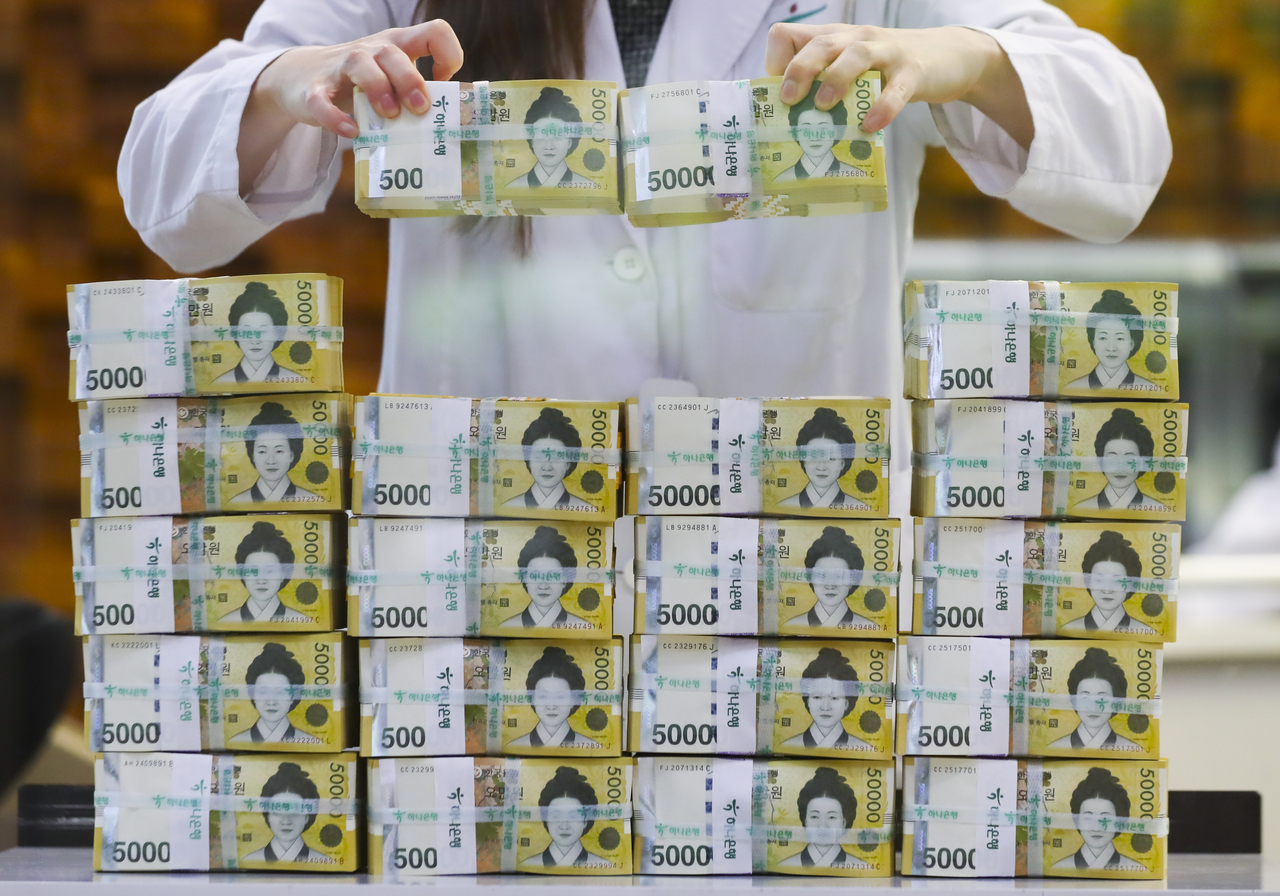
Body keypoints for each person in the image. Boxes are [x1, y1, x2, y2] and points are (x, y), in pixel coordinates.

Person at [118, 2, 1170, 427]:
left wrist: (963, 58)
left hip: (788, 604)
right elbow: (163, 190)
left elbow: (1124, 152)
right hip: (484, 602)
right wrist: (294, 78)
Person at [1050, 767, 1146, 872]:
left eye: (1105, 818)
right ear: (1077, 820)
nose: (1096, 827)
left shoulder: (1136, 869)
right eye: (1088, 817)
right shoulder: (1059, 868)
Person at [1061, 531, 1155, 634]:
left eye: (1117, 581)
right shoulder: (1067, 630)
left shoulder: (1146, 632)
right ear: (1088, 582)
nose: (1107, 590)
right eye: (1099, 580)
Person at [1046, 647, 1140, 752]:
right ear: (1074, 700)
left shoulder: (1133, 750)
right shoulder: (1055, 748)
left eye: (1102, 698)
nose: (1093, 707)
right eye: (1085, 698)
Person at [507, 646, 602, 749]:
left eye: (560, 697)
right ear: (532, 698)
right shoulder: (513, 747)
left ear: (573, 700)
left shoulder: (593, 747)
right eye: (543, 696)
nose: (551, 706)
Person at [212, 281, 306, 384]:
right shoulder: (219, 383)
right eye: (247, 331)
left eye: (263, 331)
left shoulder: (298, 381)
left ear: (277, 333)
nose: (255, 340)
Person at [777, 767, 871, 869]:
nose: (822, 826)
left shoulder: (862, 867)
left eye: (831, 817)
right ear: (805, 820)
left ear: (844, 822)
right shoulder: (785, 866)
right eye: (814, 816)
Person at [781, 647, 872, 752]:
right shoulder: (787, 747)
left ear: (847, 702)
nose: (825, 707)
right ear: (808, 700)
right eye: (817, 697)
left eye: (834, 698)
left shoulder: (864, 749)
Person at [229, 402, 321, 505]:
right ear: (252, 455)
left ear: (292, 454)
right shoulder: (235, 503)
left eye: (279, 451)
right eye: (262, 451)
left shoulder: (314, 501)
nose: (271, 461)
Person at [1074, 409, 1166, 512]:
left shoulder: (1159, 509)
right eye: (1112, 458)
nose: (1120, 467)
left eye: (1129, 458)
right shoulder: (1080, 509)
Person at [230, 642, 323, 744]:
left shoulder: (313, 743)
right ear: (253, 695)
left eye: (279, 692)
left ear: (292, 696)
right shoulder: (235, 742)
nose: (271, 702)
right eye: (263, 692)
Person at [502, 408, 593, 512]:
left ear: (568, 462)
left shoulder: (587, 510)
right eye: (539, 457)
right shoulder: (507, 508)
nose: (547, 467)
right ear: (528, 460)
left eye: (556, 457)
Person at [243, 762, 335, 864]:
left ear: (307, 817)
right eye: (277, 812)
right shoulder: (248, 861)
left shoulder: (325, 862)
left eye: (295, 812)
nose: (286, 821)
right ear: (268, 815)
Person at [778, 408, 869, 511]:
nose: (821, 467)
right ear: (803, 460)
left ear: (843, 462)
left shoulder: (861, 509)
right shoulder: (781, 508)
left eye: (831, 458)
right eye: (814, 457)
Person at [501, 526, 591, 629]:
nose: (543, 586)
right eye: (535, 576)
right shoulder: (505, 627)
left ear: (565, 580)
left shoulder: (585, 627)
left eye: (552, 576)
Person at [787, 526, 876, 630]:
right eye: (822, 575)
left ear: (852, 580)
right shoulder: (790, 626)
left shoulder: (870, 628)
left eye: (839, 576)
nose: (830, 585)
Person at [520, 766, 610, 868]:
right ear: (546, 819)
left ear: (585, 821)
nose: (564, 826)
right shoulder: (528, 865)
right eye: (556, 815)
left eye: (573, 816)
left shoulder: (603, 866)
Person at [1066, 290, 1156, 391]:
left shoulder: (1151, 389)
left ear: (1132, 343)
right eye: (1103, 338)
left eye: (1120, 338)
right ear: (1093, 341)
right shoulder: (1072, 388)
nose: (1111, 348)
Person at [225, 521, 311, 624]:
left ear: (283, 574)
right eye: (253, 570)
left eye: (270, 571)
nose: (261, 580)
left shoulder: (303, 621)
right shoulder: (225, 622)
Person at [771, 82, 859, 183]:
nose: (815, 137)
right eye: (806, 130)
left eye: (823, 129)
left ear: (836, 131)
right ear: (796, 133)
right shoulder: (780, 181)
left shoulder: (858, 177)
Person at [515, 86, 595, 188]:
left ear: (570, 141)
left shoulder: (589, 187)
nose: (549, 146)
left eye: (557, 136)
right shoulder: (512, 188)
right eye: (541, 137)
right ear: (532, 141)